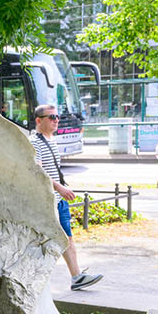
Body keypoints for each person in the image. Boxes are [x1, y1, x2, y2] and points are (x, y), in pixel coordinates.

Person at [31, 104, 102, 290]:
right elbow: (38, 172)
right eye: (51, 117)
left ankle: (76, 276)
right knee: (44, 241)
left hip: (58, 199)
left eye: (57, 117)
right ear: (39, 120)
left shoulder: (51, 140)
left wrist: (61, 190)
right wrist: (60, 188)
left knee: (67, 237)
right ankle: (35, 281)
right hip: (47, 200)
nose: (56, 120)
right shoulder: (34, 142)